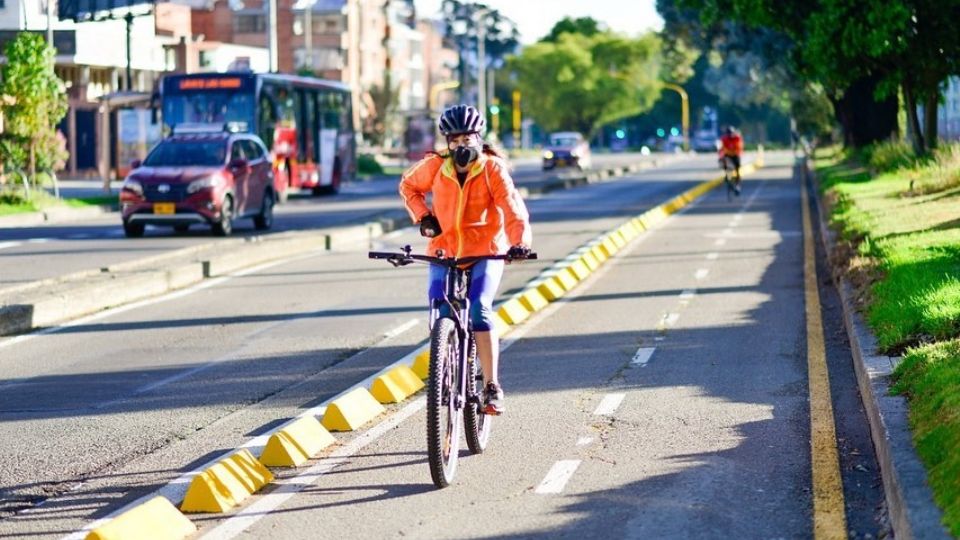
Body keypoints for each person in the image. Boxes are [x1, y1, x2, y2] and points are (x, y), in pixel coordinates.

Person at [399, 104, 532, 416]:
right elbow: (408, 186)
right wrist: (424, 217)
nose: (461, 147)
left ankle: (491, 385)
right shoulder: (434, 166)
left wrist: (519, 243)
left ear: (479, 139)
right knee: (439, 304)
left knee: (479, 308)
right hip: (444, 251)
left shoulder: (492, 169)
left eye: (467, 140)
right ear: (447, 143)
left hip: (485, 250)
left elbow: (512, 208)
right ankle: (444, 360)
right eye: (455, 141)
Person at [718, 125, 744, 195]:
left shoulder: (737, 138)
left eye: (731, 133)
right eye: (728, 133)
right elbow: (720, 149)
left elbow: (740, 148)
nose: (730, 135)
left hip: (735, 154)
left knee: (737, 168)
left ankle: (738, 186)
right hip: (727, 155)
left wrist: (737, 152)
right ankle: (726, 173)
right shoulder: (724, 139)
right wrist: (721, 156)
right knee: (723, 161)